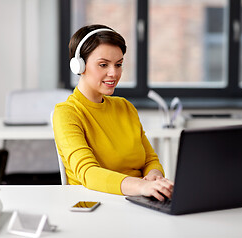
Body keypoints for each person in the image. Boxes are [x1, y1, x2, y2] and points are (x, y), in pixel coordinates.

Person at [53, 24, 173, 201]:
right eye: (103, 64)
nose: (114, 73)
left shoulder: (125, 107)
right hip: (97, 202)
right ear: (79, 66)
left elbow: (150, 159)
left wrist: (154, 177)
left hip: (139, 199)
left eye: (118, 64)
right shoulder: (67, 113)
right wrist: (142, 186)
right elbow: (88, 173)